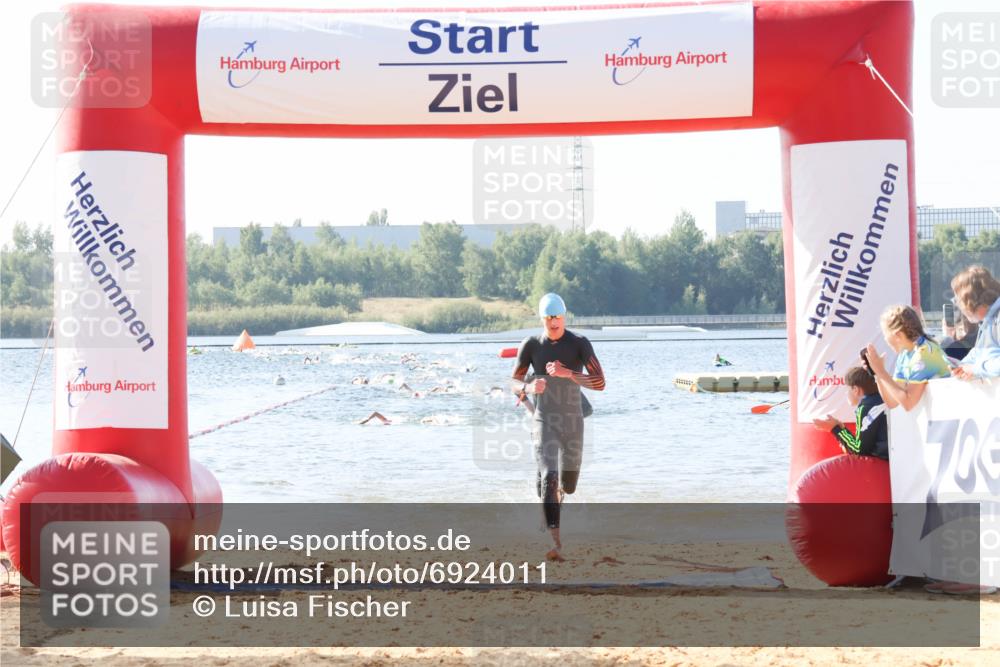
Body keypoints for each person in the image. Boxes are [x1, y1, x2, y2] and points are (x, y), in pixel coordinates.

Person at [511, 293, 606, 562]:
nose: (553, 322)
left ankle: (552, 497)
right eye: (548, 318)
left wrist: (569, 374)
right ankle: (555, 541)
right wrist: (529, 387)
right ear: (542, 318)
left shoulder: (579, 344)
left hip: (573, 422)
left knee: (568, 485)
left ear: (564, 317)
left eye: (558, 317)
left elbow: (600, 382)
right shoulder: (531, 345)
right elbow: (514, 383)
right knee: (549, 475)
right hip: (544, 420)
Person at [864, 305, 951, 412]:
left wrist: (881, 372)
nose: (885, 339)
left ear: (898, 335)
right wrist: (877, 374)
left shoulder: (924, 354)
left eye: (885, 334)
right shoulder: (904, 355)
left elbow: (908, 403)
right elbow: (892, 402)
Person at [812, 366, 888, 460]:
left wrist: (835, 429)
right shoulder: (883, 399)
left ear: (855, 390)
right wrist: (842, 429)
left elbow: (858, 450)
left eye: (847, 389)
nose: (846, 393)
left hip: (885, 463)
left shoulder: (865, 408)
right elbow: (864, 445)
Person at [950, 265, 1000, 380]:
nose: (959, 306)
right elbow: (977, 354)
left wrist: (975, 369)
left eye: (958, 300)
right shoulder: (987, 321)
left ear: (970, 301)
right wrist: (960, 367)